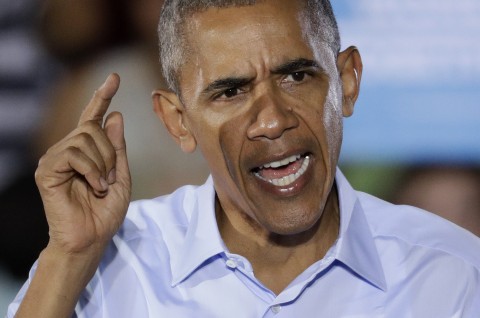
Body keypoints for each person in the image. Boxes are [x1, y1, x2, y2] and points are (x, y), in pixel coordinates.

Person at [8, 0, 480, 317]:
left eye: (296, 76)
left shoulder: (452, 271)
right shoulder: (106, 266)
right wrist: (69, 257)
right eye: (231, 91)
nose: (272, 120)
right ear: (178, 122)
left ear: (347, 82)